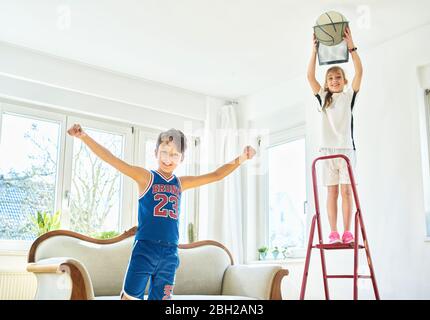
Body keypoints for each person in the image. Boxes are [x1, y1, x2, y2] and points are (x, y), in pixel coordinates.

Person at [67, 124, 256, 300]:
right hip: (145, 249)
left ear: (182, 158)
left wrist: (242, 158)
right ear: (156, 152)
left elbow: (216, 175)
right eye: (164, 152)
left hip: (170, 254)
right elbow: (113, 160)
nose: (168, 158)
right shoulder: (146, 177)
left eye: (174, 154)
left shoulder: (181, 183)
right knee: (130, 298)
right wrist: (84, 137)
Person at [306, 26, 363, 244]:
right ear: (327, 83)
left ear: (344, 81)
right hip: (327, 152)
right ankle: (333, 232)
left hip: (346, 151)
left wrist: (352, 48)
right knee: (332, 194)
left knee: (347, 193)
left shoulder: (349, 97)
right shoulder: (323, 98)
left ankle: (347, 231)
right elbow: (310, 76)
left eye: (338, 77)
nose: (334, 80)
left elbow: (360, 72)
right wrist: (314, 51)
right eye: (330, 78)